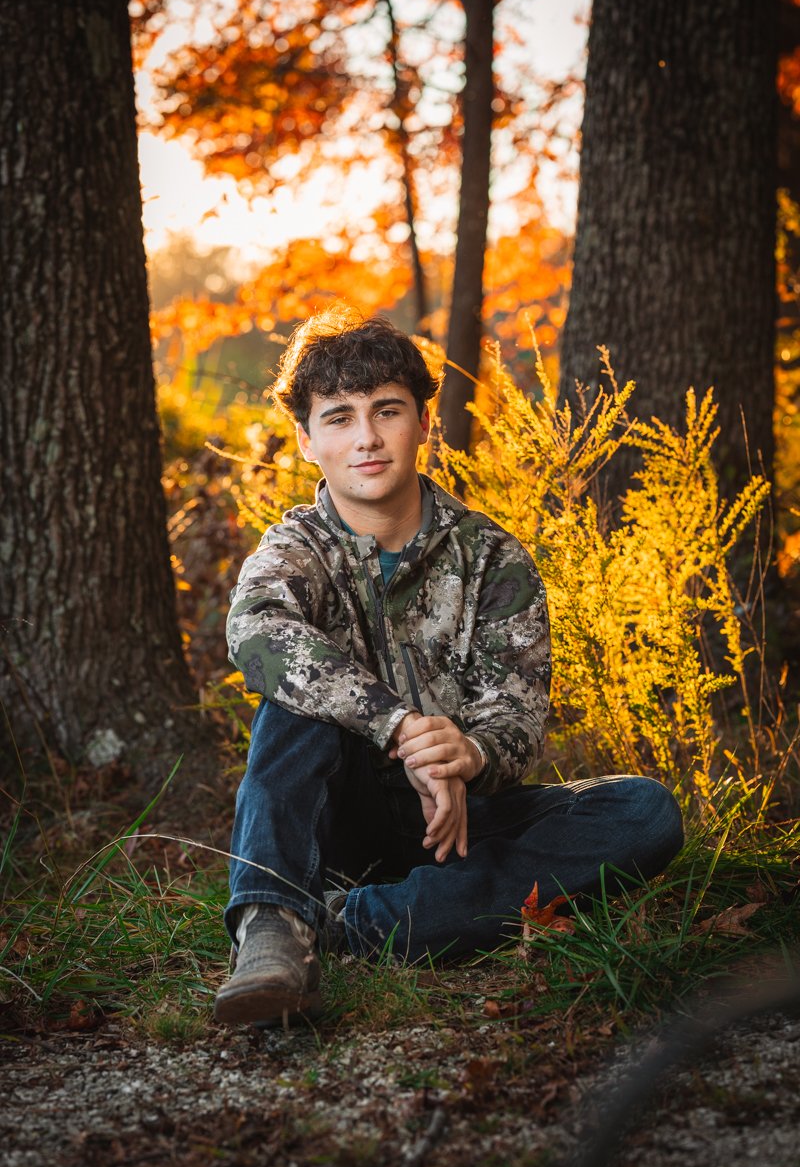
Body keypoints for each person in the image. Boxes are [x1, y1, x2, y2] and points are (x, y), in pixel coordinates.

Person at [213, 307, 683, 1027]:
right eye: (339, 418)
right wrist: (400, 729)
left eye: (387, 411)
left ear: (424, 424)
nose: (366, 437)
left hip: (458, 824)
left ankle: (347, 926)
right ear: (308, 441)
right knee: (293, 699)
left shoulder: (494, 559)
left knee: (645, 813)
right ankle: (274, 927)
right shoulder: (296, 548)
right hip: (336, 820)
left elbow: (517, 722)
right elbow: (254, 633)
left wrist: (466, 754)